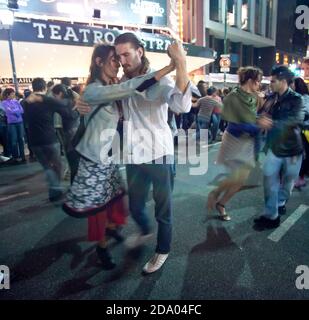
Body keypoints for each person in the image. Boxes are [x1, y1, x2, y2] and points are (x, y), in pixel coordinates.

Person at [77, 34, 191, 274]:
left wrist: (180, 64)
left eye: (126, 54)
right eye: (118, 57)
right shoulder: (119, 83)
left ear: (140, 51)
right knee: (137, 206)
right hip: (132, 156)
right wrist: (78, 104)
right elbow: (97, 97)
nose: (122, 61)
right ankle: (145, 230)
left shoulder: (162, 81)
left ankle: (163, 249)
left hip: (158, 154)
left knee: (164, 209)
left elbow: (181, 106)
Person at [207, 67, 272, 221]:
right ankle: (215, 194)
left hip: (248, 141)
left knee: (241, 180)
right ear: (250, 80)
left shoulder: (255, 97)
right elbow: (234, 124)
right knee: (237, 176)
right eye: (258, 81)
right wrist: (259, 125)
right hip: (234, 139)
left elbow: (252, 116)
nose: (259, 85)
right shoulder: (232, 97)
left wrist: (258, 120)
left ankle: (221, 203)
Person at [254, 66, 304, 229]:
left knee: (288, 180)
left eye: (273, 81)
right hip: (274, 148)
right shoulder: (271, 98)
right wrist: (258, 119)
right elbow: (260, 114)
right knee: (269, 180)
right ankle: (271, 215)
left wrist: (271, 123)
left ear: (283, 81)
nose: (270, 83)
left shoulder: (297, 99)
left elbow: (295, 120)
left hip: (292, 149)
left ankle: (281, 201)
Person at [23, 78, 74, 202]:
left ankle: (54, 191)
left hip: (34, 141)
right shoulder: (47, 101)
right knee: (57, 165)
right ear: (44, 87)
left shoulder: (26, 102)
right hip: (49, 139)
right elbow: (65, 105)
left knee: (47, 167)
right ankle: (55, 190)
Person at [292, 77, 309, 188]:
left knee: (304, 154)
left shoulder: (304, 98)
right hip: (298, 129)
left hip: (305, 130)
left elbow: (306, 113)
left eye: (292, 84)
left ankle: (300, 177)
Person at [2, 88, 26, 164]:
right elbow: (8, 111)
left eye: (13, 93)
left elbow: (22, 110)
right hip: (11, 123)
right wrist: (16, 111)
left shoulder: (16, 101)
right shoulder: (4, 103)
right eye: (12, 94)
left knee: (21, 140)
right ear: (7, 94)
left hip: (20, 122)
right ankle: (16, 157)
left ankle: (23, 156)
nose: (13, 95)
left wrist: (14, 110)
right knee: (13, 141)